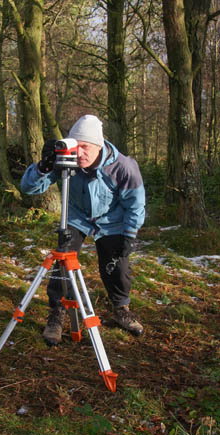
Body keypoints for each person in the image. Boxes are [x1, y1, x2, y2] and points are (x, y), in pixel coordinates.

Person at [20, 115, 146, 345]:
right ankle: (57, 313)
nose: (79, 154)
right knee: (63, 262)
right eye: (75, 147)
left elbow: (135, 204)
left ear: (99, 146)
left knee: (117, 266)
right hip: (76, 217)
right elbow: (29, 188)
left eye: (85, 147)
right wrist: (43, 166)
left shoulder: (123, 167)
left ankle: (121, 308)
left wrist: (129, 234)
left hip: (112, 221)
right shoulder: (66, 160)